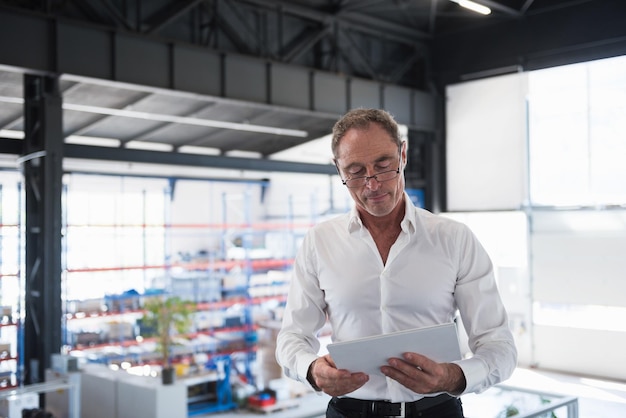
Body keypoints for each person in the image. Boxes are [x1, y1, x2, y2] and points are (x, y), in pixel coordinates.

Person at [275, 108, 517, 418]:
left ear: (402, 155)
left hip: (436, 411)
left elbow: (500, 347)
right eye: (356, 171)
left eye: (383, 165)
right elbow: (292, 336)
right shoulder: (319, 243)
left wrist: (452, 376)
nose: (372, 184)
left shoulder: (454, 239)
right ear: (339, 170)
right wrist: (311, 369)